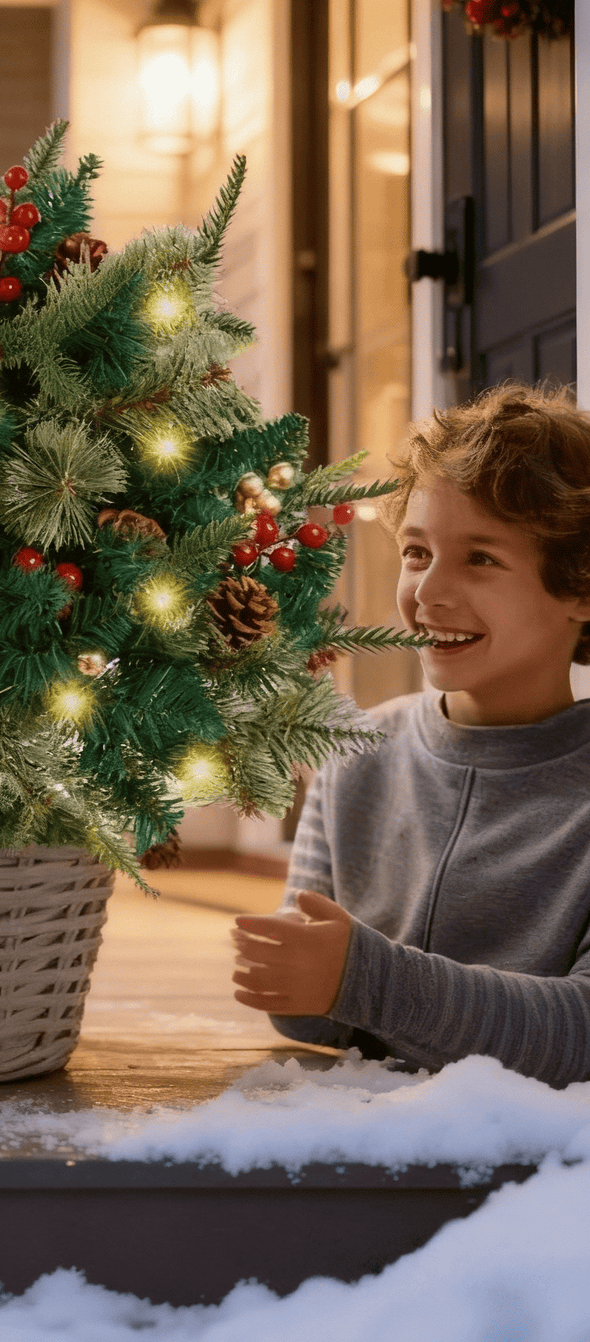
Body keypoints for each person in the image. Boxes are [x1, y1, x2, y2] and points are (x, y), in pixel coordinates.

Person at [231, 383, 590, 1088]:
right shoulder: (354, 753)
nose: (426, 594)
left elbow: (581, 1034)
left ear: (580, 587)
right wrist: (303, 981)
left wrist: (360, 977)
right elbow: (310, 1014)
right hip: (364, 1150)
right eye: (417, 552)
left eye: (479, 558)